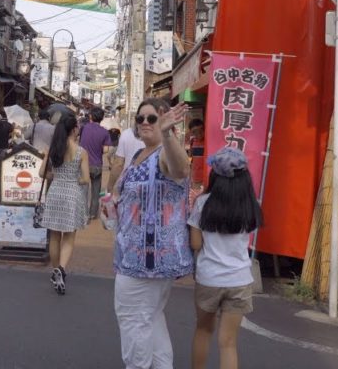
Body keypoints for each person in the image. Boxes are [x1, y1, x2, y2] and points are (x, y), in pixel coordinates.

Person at [109, 98, 193, 369]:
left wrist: (167, 133)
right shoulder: (138, 154)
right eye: (141, 118)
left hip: (147, 262)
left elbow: (180, 169)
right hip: (134, 256)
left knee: (134, 320)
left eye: (152, 118)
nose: (145, 122)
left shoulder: (164, 153)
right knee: (151, 319)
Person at [189, 147, 263, 369]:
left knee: (203, 330)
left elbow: (195, 244)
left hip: (209, 278)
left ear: (215, 175)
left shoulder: (203, 203)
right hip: (239, 279)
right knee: (228, 343)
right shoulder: (250, 204)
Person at [38, 112, 89, 295]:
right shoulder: (81, 152)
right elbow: (85, 179)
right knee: (69, 236)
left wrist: (55, 174)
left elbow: (42, 173)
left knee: (54, 236)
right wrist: (73, 178)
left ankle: (55, 270)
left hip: (55, 192)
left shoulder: (54, 148)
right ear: (74, 129)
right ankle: (61, 269)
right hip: (71, 194)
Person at [79, 107, 111, 220]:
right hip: (97, 165)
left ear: (91, 116)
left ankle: (83, 213)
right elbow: (106, 150)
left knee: (83, 190)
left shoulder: (84, 128)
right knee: (96, 191)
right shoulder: (105, 132)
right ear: (102, 118)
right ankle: (93, 214)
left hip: (84, 164)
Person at [108, 122, 143, 196]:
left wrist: (110, 187)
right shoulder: (163, 136)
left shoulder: (126, 134)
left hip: (129, 184)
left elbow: (118, 164)